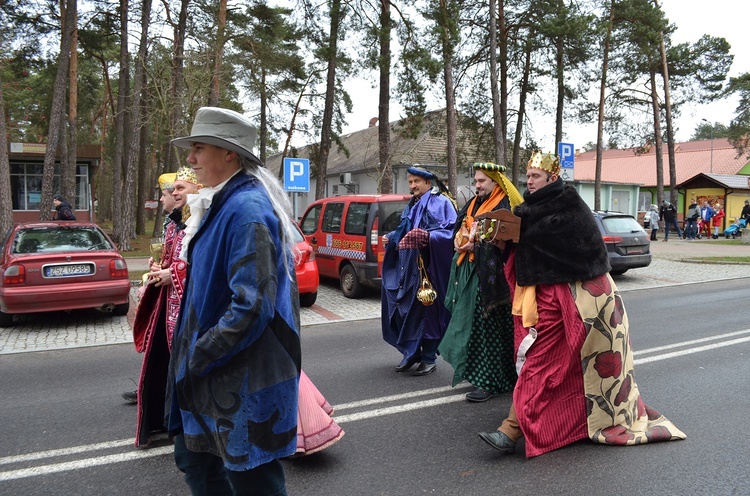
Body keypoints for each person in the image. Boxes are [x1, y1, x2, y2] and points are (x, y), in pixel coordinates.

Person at [478, 151, 685, 458]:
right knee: (560, 367)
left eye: (536, 176)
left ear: (553, 177)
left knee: (539, 363)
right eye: (528, 176)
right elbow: (524, 253)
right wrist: (502, 243)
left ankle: (510, 429)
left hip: (574, 301)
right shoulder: (527, 208)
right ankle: (562, 424)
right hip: (540, 298)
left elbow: (581, 249)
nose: (530, 181)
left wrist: (524, 237)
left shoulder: (572, 207)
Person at [166, 107, 301, 495]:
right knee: (196, 463)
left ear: (229, 153)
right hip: (215, 375)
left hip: (241, 376)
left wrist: (198, 355)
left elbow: (252, 306)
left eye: (198, 148)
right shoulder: (225, 201)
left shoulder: (246, 210)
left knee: (253, 479)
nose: (190, 160)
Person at [128, 168, 200, 448]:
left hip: (188, 307)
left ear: (198, 188)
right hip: (169, 305)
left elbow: (208, 266)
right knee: (165, 363)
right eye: (174, 188)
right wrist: (160, 267)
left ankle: (185, 430)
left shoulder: (204, 220)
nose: (169, 196)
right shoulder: (176, 222)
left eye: (180, 188)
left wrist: (176, 273)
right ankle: (166, 421)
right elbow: (176, 257)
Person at [439, 163, 523, 402]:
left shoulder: (504, 205)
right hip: (471, 270)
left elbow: (507, 243)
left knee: (486, 329)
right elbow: (461, 224)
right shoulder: (475, 202)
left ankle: (488, 381)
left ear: (495, 182)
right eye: (475, 181)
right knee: (473, 326)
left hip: (492, 279)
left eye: (481, 181)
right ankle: (485, 376)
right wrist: (458, 239)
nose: (477, 185)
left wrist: (476, 245)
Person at [381, 166, 457, 376]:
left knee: (428, 313)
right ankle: (411, 352)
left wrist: (427, 237)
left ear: (428, 182)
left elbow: (451, 232)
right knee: (403, 309)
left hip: (429, 269)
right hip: (408, 268)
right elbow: (406, 230)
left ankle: (428, 358)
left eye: (416, 182)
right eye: (410, 182)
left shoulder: (441, 202)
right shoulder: (413, 204)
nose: (413, 186)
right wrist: (392, 235)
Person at [122, 172, 178, 406]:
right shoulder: (171, 221)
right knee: (159, 345)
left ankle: (161, 394)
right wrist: (158, 265)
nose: (164, 199)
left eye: (166, 194)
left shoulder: (193, 220)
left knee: (169, 347)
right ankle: (153, 389)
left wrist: (172, 273)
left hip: (178, 295)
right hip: (166, 292)